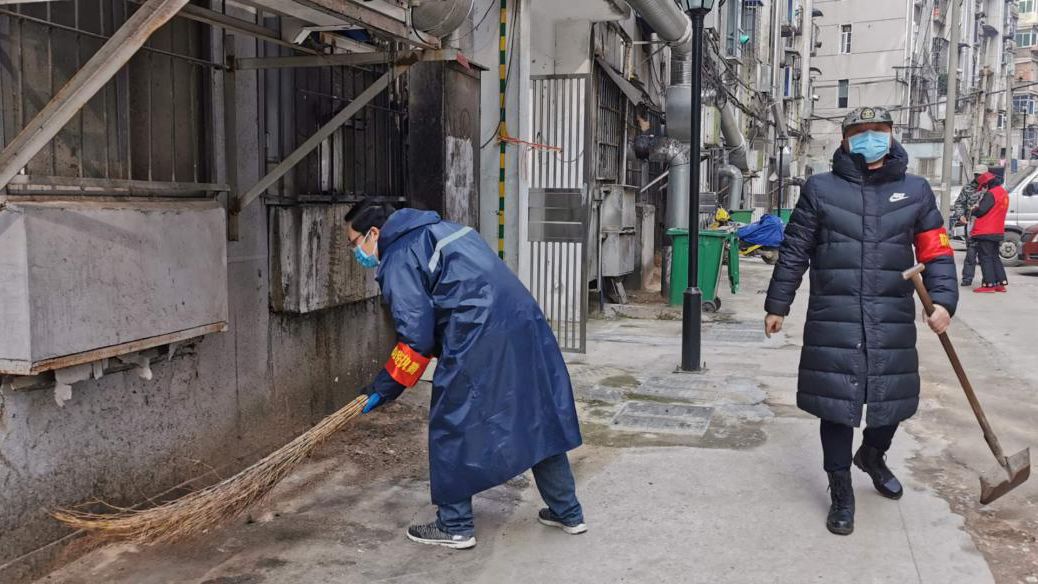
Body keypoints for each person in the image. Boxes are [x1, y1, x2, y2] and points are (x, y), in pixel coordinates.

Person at [344, 200, 585, 550]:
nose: (357, 253)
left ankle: (454, 525)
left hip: (477, 338)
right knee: (537, 415)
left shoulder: (400, 255)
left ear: (374, 233)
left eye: (355, 243)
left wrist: (384, 387)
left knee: (452, 425)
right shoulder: (448, 230)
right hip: (525, 327)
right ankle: (568, 511)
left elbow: (415, 337)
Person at [763, 106, 959, 536]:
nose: (870, 137)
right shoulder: (820, 189)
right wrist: (778, 305)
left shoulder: (915, 191)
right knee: (835, 406)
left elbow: (937, 251)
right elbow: (795, 250)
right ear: (845, 138)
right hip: (835, 315)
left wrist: (943, 301)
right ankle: (841, 490)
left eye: (878, 130)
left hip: (890, 314)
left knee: (892, 401)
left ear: (891, 135)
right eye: (860, 131)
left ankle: (872, 454)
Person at [969, 171, 1011, 293]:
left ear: (987, 184)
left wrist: (974, 209)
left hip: (986, 230)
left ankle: (989, 284)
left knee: (985, 257)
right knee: (994, 257)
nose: (984, 188)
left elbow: (981, 210)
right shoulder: (1003, 193)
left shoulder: (991, 194)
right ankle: (1000, 283)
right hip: (997, 230)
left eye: (984, 186)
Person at [950, 164, 987, 287]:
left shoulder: (990, 188)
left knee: (986, 255)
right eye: (976, 175)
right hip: (971, 225)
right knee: (971, 254)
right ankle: (967, 278)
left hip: (986, 226)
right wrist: (961, 215)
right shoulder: (968, 188)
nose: (977, 177)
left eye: (980, 175)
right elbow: (959, 203)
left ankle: (988, 280)